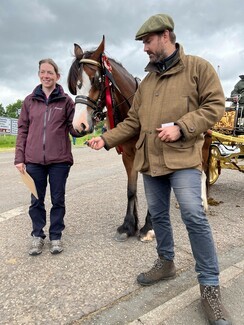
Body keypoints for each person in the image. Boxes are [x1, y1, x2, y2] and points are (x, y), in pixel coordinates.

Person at [88, 14, 232, 325]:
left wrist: (183, 127)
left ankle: (210, 288)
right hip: (150, 162)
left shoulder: (198, 68)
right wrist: (106, 138)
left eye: (148, 42)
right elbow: (132, 123)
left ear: (165, 36)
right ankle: (166, 262)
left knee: (193, 214)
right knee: (159, 216)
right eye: (142, 43)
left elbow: (215, 105)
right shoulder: (147, 83)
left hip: (182, 159)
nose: (144, 48)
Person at [14, 58, 81, 256]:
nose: (46, 76)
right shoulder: (29, 101)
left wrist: (83, 128)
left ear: (57, 76)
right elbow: (22, 130)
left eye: (50, 72)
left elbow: (73, 128)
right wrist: (19, 157)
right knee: (36, 200)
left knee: (58, 199)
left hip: (59, 161)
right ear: (39, 75)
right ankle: (37, 235)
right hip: (33, 160)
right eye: (43, 72)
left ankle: (56, 236)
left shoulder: (66, 101)